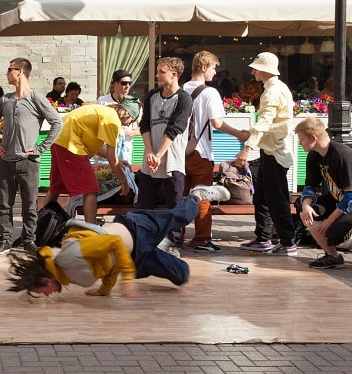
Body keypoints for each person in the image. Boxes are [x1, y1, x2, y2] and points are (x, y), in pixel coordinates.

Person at [5, 186, 229, 300]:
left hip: (138, 229)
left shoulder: (69, 257)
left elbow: (112, 243)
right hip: (136, 256)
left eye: (40, 290)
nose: (45, 295)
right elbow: (108, 265)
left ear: (46, 279)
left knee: (181, 216)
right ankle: (163, 246)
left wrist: (128, 279)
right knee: (182, 275)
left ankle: (198, 194)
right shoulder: (69, 275)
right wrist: (104, 290)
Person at [0, 58, 63, 255]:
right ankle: (4, 241)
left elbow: (57, 122)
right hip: (6, 162)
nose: (6, 73)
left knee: (29, 206)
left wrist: (41, 148)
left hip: (28, 162)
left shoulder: (36, 98)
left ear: (19, 72)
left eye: (9, 69)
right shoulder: (5, 100)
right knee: (4, 205)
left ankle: (29, 241)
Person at [294, 117, 352, 270]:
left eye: (302, 139)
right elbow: (310, 188)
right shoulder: (313, 156)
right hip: (339, 197)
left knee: (334, 234)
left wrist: (329, 221)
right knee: (305, 211)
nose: (300, 143)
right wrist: (306, 206)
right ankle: (333, 256)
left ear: (313, 138)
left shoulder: (341, 154)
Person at [183, 50, 250, 252]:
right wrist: (239, 134)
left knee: (182, 196)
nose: (214, 72)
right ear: (203, 68)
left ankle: (175, 236)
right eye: (213, 67)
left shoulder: (182, 89)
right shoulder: (210, 92)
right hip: (200, 152)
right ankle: (202, 240)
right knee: (202, 197)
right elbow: (217, 123)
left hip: (181, 151)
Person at [236, 52, 298, 256]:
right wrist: (252, 138)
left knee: (276, 198)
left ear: (265, 70)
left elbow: (265, 122)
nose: (253, 71)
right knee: (262, 196)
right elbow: (269, 125)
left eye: (256, 68)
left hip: (274, 153)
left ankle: (288, 242)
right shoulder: (275, 88)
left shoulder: (272, 92)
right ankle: (264, 238)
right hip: (271, 151)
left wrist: (247, 147)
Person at [44, 101, 140, 223]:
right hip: (71, 144)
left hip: (59, 139)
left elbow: (98, 149)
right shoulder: (113, 121)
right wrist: (124, 182)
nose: (128, 125)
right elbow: (111, 157)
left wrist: (119, 160)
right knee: (90, 189)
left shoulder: (104, 111)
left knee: (55, 187)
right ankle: (92, 230)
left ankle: (41, 224)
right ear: (127, 113)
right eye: (131, 121)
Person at [137, 56, 192, 258]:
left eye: (161, 72)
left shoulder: (184, 98)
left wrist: (159, 154)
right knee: (144, 204)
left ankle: (173, 244)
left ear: (174, 74)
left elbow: (175, 128)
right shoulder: (152, 95)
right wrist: (150, 152)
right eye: (157, 71)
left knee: (174, 204)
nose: (157, 75)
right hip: (150, 160)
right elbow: (144, 125)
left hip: (172, 160)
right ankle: (141, 241)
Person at [97, 69, 141, 163]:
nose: (127, 86)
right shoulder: (103, 101)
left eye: (129, 83)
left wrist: (130, 132)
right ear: (115, 83)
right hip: (106, 150)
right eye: (124, 83)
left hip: (125, 150)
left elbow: (143, 128)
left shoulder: (134, 103)